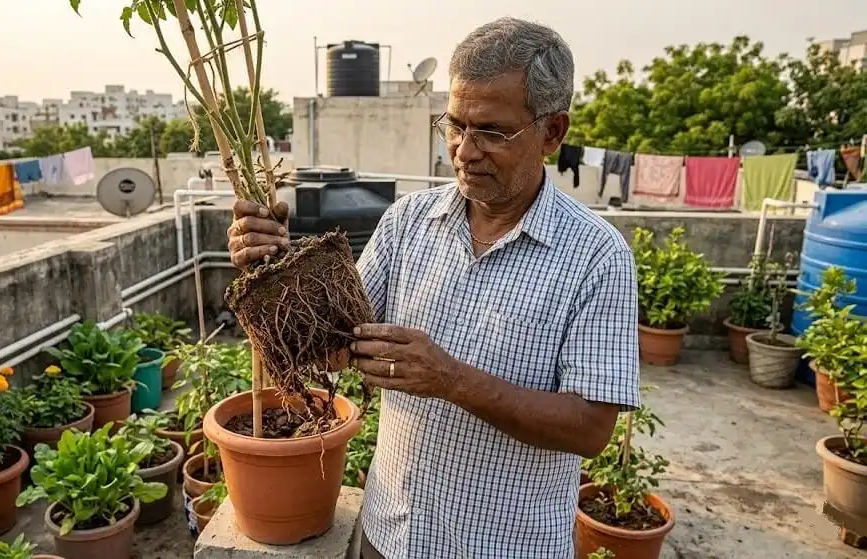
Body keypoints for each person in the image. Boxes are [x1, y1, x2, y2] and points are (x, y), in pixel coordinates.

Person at [226, 17, 641, 559]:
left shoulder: (597, 256)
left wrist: (450, 378)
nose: (465, 151)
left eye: (492, 131)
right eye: (455, 125)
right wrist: (276, 269)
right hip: (389, 532)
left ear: (553, 132)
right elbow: (333, 347)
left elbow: (589, 427)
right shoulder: (408, 223)